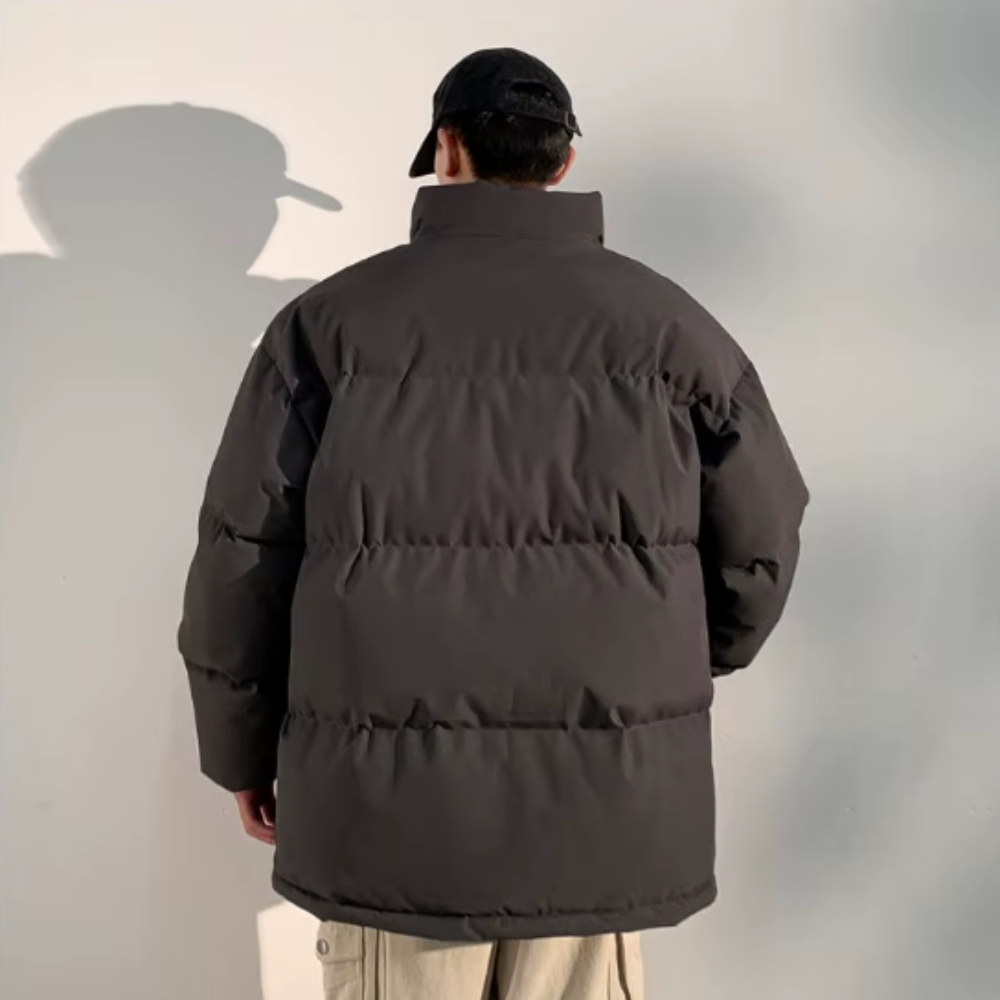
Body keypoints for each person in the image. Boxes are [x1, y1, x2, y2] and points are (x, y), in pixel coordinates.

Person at [179, 48, 808, 1000]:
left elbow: (242, 553)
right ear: (563, 162)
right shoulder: (672, 328)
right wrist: (668, 667)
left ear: (447, 148)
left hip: (396, 824)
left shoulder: (327, 327)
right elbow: (763, 537)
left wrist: (240, 744)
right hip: (603, 812)